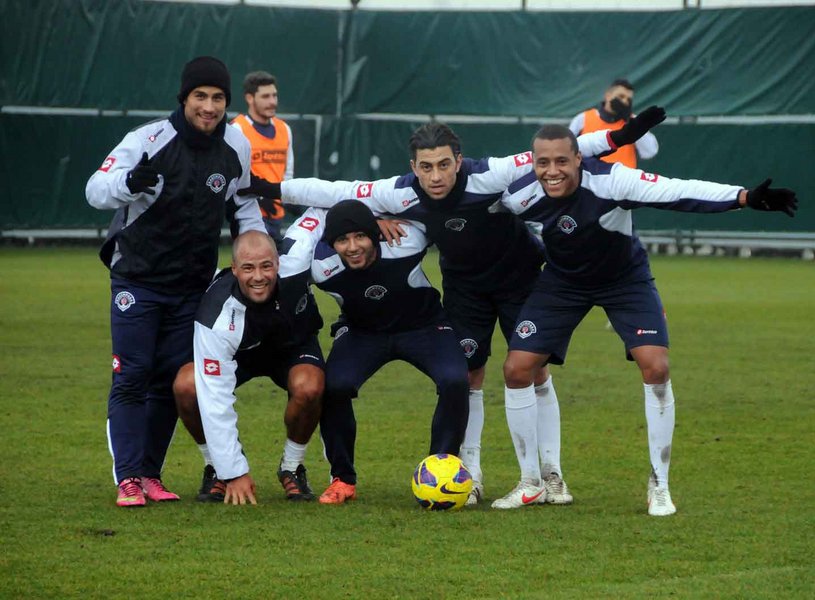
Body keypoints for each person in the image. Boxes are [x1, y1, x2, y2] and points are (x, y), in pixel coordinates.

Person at [240, 110, 665, 507]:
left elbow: (553, 153)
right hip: (465, 290)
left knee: (534, 371)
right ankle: (468, 474)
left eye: (444, 164)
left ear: (458, 161)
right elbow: (339, 192)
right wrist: (268, 188)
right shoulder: (399, 193)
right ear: (414, 167)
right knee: (470, 373)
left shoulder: (489, 174)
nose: (436, 175)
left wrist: (616, 138)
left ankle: (551, 474)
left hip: (518, 281)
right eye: (426, 167)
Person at [498, 124, 797, 514]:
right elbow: (475, 210)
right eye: (543, 163)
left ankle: (659, 484)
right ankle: (533, 481)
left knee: (656, 367)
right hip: (562, 283)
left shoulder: (613, 181)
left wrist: (742, 197)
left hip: (624, 280)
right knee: (517, 369)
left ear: (579, 159)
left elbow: (676, 191)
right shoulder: (518, 195)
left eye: (561, 161)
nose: (552, 171)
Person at [85, 56, 266, 507]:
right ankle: (128, 477)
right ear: (184, 98)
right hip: (138, 281)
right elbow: (95, 189)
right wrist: (129, 182)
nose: (209, 107)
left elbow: (243, 204)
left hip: (191, 287)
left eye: (218, 98)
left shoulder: (236, 144)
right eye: (200, 96)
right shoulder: (148, 139)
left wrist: (255, 249)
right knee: (131, 377)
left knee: (169, 380)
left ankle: (150, 474)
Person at [281, 201, 470, 504]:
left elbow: (434, 213)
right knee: (335, 386)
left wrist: (382, 215)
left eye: (360, 236)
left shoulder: (406, 240)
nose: (353, 247)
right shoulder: (319, 266)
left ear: (374, 234)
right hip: (362, 333)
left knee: (455, 380)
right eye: (343, 240)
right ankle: (343, 479)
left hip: (424, 327)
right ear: (331, 243)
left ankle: (441, 471)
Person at [171, 231, 325, 505]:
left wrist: (382, 215)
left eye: (266, 266)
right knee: (187, 386)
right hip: (238, 354)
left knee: (310, 386)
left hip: (291, 348)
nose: (258, 276)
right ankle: (215, 466)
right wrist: (233, 469)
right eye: (248, 268)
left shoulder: (297, 261)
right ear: (234, 269)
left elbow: (322, 215)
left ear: (278, 263)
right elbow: (215, 399)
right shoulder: (216, 315)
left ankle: (292, 466)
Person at [231, 71, 294, 253]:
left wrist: (289, 198)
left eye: (274, 95)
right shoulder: (238, 129)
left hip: (277, 213)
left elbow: (288, 172)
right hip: (248, 214)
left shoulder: (284, 129)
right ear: (249, 98)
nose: (272, 101)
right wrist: (259, 198)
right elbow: (234, 177)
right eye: (265, 96)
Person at [569, 79, 659, 169]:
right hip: (591, 175)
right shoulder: (583, 118)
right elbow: (567, 148)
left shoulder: (633, 121)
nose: (625, 101)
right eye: (621, 96)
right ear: (608, 96)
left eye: (628, 99)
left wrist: (631, 122)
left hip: (624, 176)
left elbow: (650, 152)